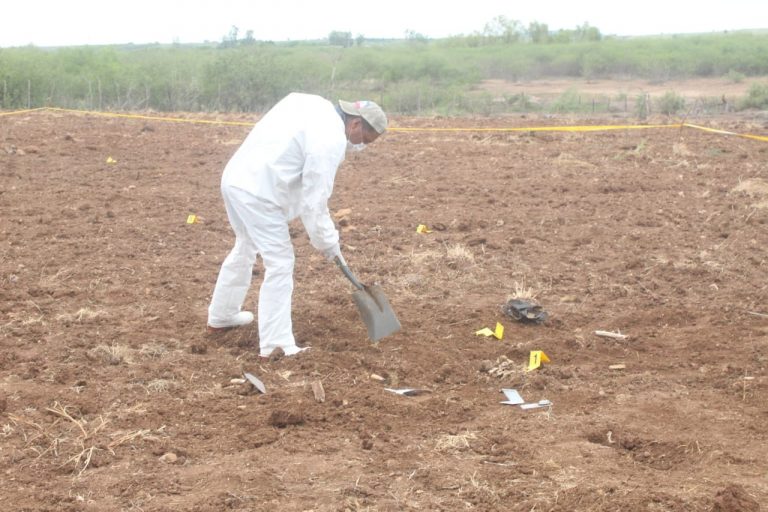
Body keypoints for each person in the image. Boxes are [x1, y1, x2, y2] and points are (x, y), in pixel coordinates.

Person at [206, 92, 387, 358]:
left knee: (245, 246)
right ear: (356, 124)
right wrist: (329, 244)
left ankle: (222, 315)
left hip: (236, 179)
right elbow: (314, 203)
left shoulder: (313, 104)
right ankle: (276, 344)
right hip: (259, 192)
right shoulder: (330, 139)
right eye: (365, 140)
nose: (362, 146)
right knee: (280, 261)